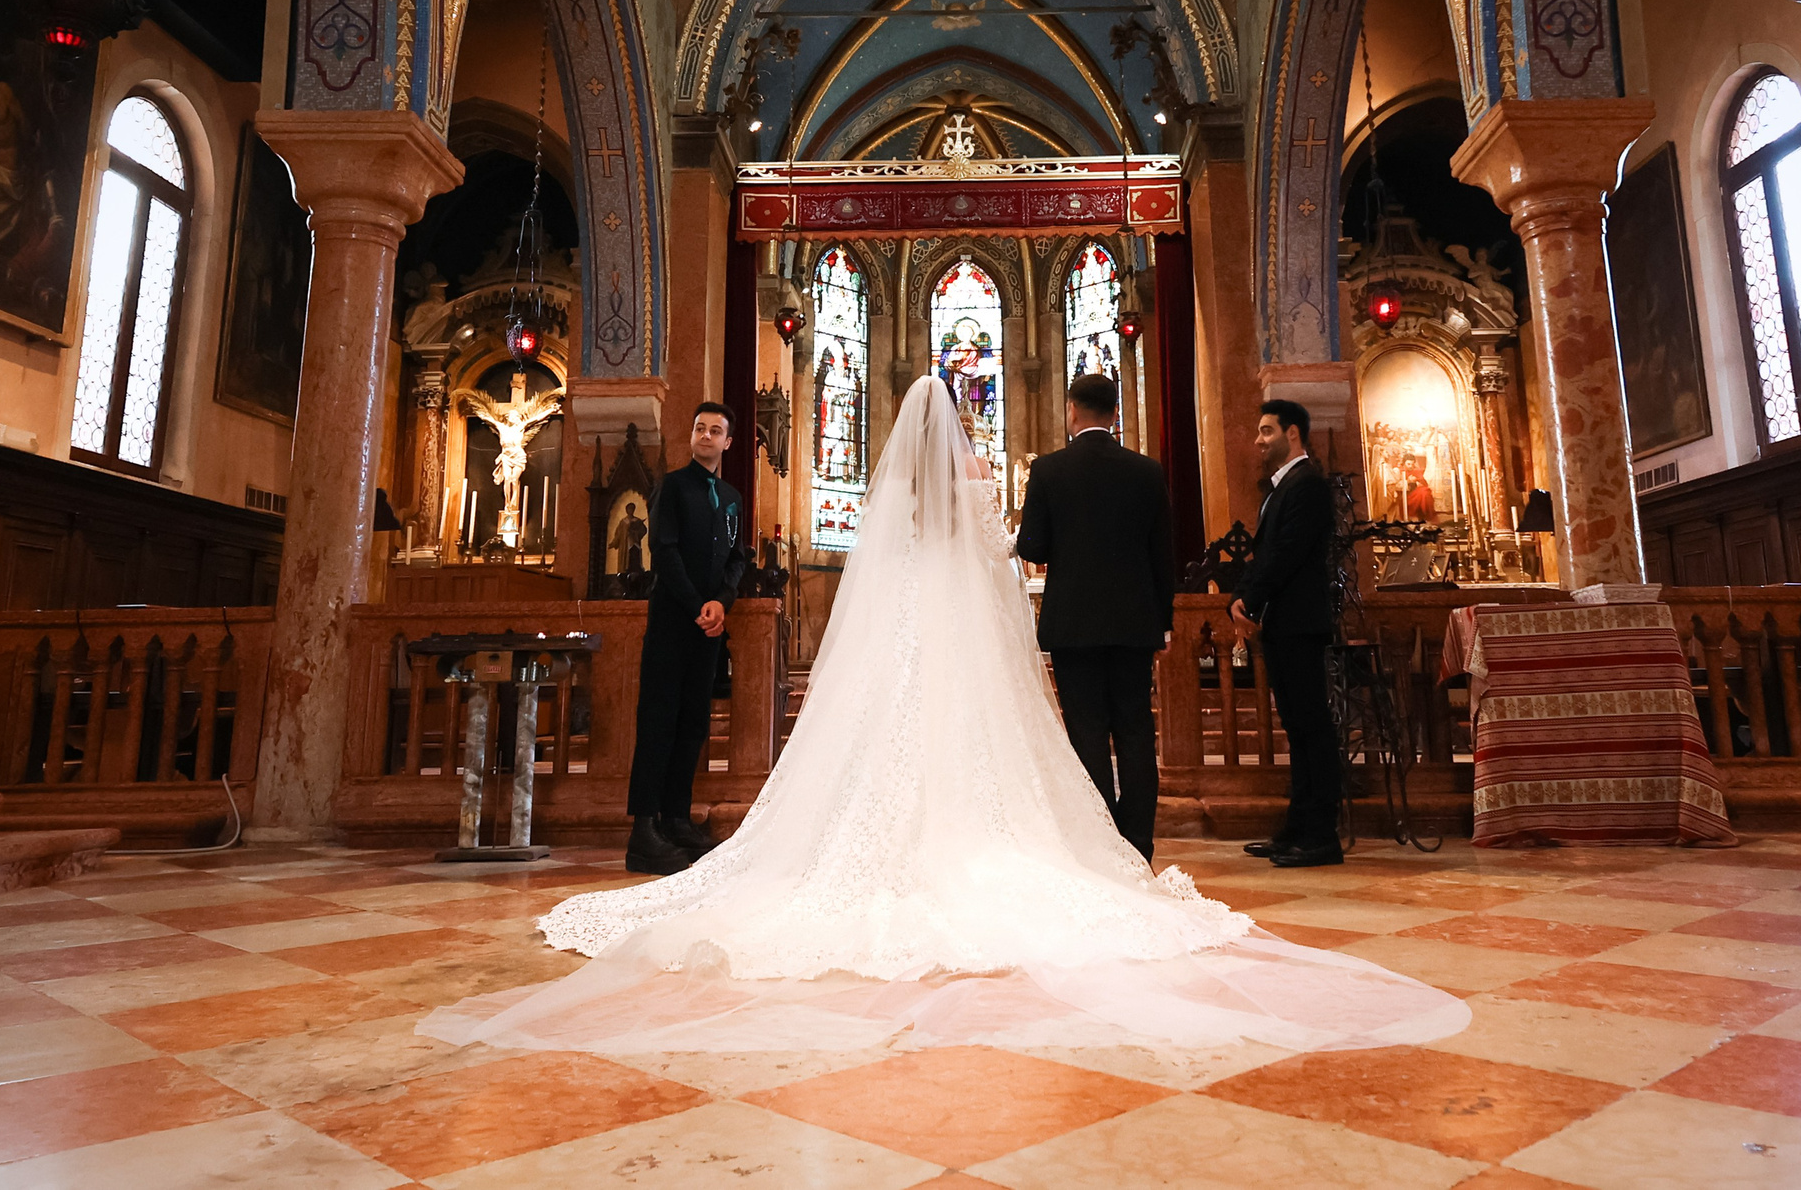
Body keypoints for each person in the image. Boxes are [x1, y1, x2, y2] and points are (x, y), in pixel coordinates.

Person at [420, 376, 1469, 1057]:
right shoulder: (1012, 484)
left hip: (917, 632)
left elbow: (1028, 553)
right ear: (960, 439)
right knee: (1053, 743)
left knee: (882, 732)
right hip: (1031, 628)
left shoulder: (916, 508)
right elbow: (1014, 558)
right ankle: (1115, 841)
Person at [1014, 371, 1174, 857]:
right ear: (1115, 413)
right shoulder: (1147, 471)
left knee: (1086, 729)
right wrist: (1162, 620)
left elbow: (1033, 545)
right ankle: (1139, 842)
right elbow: (1161, 554)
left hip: (1074, 624)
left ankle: (1103, 843)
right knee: (1134, 727)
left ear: (1071, 411)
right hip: (1134, 623)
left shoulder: (1049, 471)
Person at [622, 402, 747, 875]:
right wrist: (698, 604)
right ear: (692, 436)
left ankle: (676, 818)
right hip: (675, 619)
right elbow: (665, 552)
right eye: (700, 428)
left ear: (728, 442)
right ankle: (643, 830)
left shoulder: (733, 497)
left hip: (711, 623)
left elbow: (737, 557)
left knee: (694, 720)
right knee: (659, 720)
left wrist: (723, 601)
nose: (707, 436)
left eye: (716, 430)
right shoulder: (672, 487)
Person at [1226, 399, 1345, 868]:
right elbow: (1269, 553)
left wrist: (1248, 599)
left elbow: (1288, 552)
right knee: (1298, 729)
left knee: (1311, 728)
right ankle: (1297, 829)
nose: (1258, 440)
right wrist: (1244, 594)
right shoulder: (1282, 486)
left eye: (1267, 431)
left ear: (1293, 434)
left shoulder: (1308, 485)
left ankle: (1320, 836)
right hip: (1284, 623)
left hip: (1299, 622)